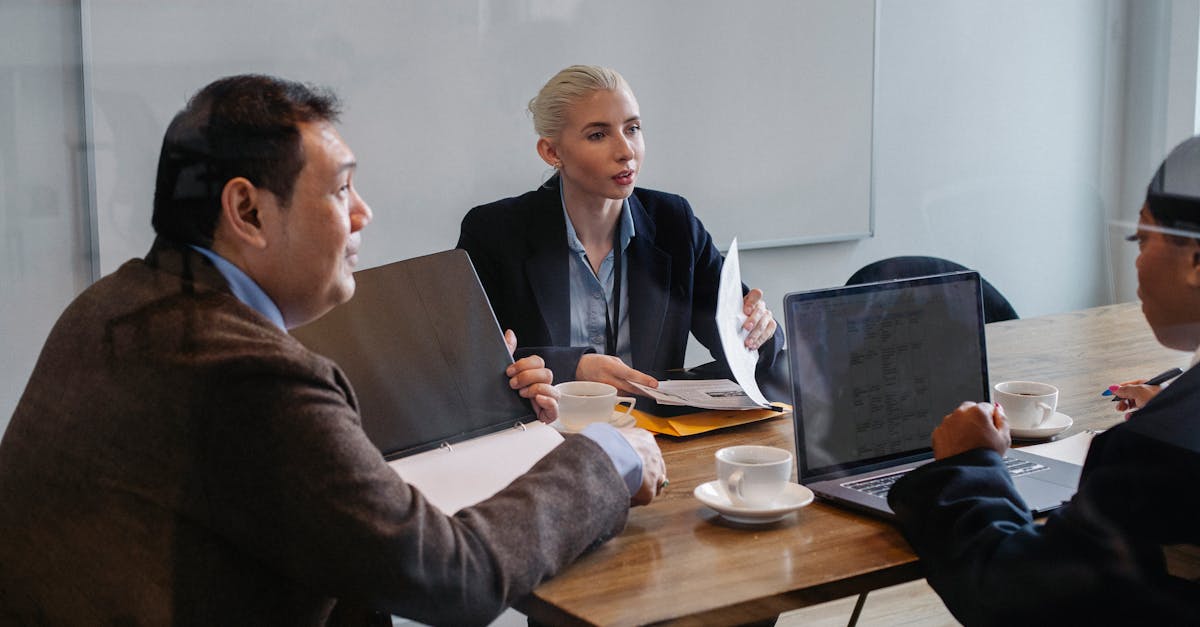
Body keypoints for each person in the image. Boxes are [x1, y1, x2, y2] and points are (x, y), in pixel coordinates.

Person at [0, 74, 666, 626]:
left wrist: (476, 398)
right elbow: (451, 576)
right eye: (342, 187)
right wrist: (603, 457)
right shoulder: (249, 375)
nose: (363, 213)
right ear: (248, 211)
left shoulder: (113, 304)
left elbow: (299, 482)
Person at [887, 136, 1200, 624]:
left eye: (1142, 237)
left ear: (1196, 261)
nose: (1136, 260)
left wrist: (971, 464)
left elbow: (1013, 598)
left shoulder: (1151, 452)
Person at [457, 65, 783, 396]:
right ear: (551, 152)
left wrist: (758, 331)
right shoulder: (494, 232)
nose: (626, 151)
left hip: (653, 435)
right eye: (598, 135)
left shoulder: (674, 223)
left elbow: (750, 350)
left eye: (633, 129)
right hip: (545, 433)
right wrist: (572, 368)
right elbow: (464, 362)